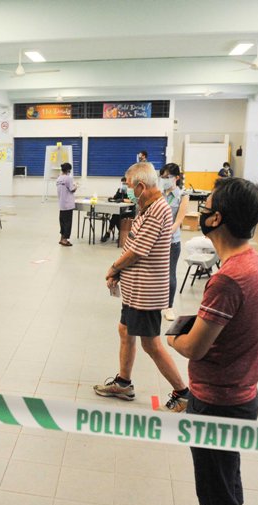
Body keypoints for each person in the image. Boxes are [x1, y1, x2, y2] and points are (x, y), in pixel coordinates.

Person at [167, 178, 258, 505]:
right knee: (224, 480)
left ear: (217, 219)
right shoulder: (252, 263)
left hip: (217, 401)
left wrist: (173, 340)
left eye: (207, 205)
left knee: (216, 490)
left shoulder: (229, 279)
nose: (202, 210)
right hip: (241, 395)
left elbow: (194, 348)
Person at [94, 162, 190, 412]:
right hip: (135, 288)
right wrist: (120, 272)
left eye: (129, 187)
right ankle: (124, 383)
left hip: (146, 292)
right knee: (125, 330)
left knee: (151, 344)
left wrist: (114, 267)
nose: (127, 192)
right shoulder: (146, 206)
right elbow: (133, 243)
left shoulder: (158, 209)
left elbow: (138, 250)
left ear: (140, 186)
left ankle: (183, 392)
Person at [161, 164, 190, 321]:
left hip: (172, 241)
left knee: (169, 274)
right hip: (156, 240)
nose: (164, 180)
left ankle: (169, 307)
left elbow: (178, 220)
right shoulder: (159, 193)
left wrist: (166, 233)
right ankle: (154, 303)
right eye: (163, 177)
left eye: (167, 177)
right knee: (154, 273)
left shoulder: (182, 195)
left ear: (176, 178)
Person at [101, 176, 129, 242]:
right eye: (122, 183)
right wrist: (111, 198)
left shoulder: (130, 191)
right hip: (119, 209)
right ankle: (117, 233)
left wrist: (122, 199)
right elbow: (115, 197)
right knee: (115, 216)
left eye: (124, 184)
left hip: (127, 210)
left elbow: (130, 200)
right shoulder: (119, 190)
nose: (123, 185)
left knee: (115, 216)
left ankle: (109, 233)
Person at [56, 162, 76, 247]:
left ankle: (61, 238)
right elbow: (72, 189)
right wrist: (76, 187)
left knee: (62, 222)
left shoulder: (59, 178)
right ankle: (65, 240)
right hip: (68, 204)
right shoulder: (68, 178)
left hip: (61, 204)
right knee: (68, 222)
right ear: (68, 170)